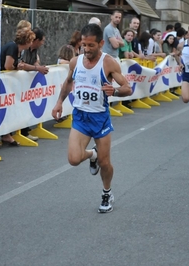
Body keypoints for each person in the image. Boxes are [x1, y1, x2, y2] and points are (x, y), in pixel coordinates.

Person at [51, 23, 132, 213]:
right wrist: (59, 102)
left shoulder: (109, 63)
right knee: (73, 159)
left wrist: (116, 91)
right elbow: (68, 82)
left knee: (105, 163)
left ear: (101, 43)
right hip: (80, 116)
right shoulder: (75, 62)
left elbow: (127, 88)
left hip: (100, 118)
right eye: (83, 45)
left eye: (90, 45)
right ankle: (92, 154)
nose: (86, 49)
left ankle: (107, 192)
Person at [0, 28, 35, 146]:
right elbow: (7, 66)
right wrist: (17, 67)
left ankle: (7, 134)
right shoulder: (13, 47)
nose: (32, 43)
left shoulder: (19, 50)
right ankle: (5, 134)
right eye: (31, 41)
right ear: (27, 40)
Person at [18, 27, 49, 141]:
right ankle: (21, 132)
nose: (43, 43)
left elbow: (35, 61)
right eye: (42, 40)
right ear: (36, 40)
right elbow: (22, 64)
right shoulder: (24, 48)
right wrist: (37, 68)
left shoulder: (34, 50)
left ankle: (25, 130)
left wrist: (37, 65)